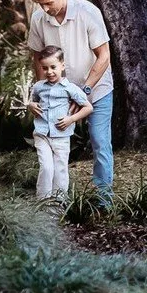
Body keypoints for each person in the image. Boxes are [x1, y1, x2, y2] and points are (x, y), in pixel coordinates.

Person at [27, 0, 114, 200]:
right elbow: (37, 57)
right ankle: (55, 199)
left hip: (95, 89)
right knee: (54, 143)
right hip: (56, 94)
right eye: (40, 4)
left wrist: (84, 92)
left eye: (49, 3)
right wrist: (39, 92)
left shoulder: (87, 12)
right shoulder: (38, 18)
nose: (45, 9)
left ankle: (103, 200)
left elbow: (103, 56)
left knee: (99, 140)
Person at [28, 45, 93, 200]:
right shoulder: (38, 87)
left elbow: (88, 107)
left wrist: (71, 119)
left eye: (53, 67)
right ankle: (43, 202)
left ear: (62, 65)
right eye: (45, 68)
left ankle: (59, 204)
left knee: (60, 169)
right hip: (42, 134)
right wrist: (30, 105)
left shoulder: (70, 88)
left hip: (61, 136)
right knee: (46, 167)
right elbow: (33, 101)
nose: (49, 72)